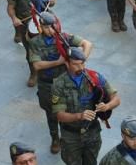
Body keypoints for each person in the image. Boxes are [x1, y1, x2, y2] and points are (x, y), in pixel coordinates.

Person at [27, 11, 92, 153]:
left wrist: (81, 61)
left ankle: (69, 137)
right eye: (47, 27)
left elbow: (87, 44)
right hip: (47, 83)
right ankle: (55, 138)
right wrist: (58, 62)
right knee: (51, 113)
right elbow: (37, 65)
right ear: (41, 27)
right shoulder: (35, 43)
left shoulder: (64, 38)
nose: (50, 30)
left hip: (65, 83)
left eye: (52, 26)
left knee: (68, 110)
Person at [7, 0, 55, 86]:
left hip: (44, 23)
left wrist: (53, 1)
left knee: (49, 47)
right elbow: (10, 7)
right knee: (30, 51)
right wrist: (14, 18)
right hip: (26, 25)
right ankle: (34, 73)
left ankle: (50, 70)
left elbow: (51, 3)